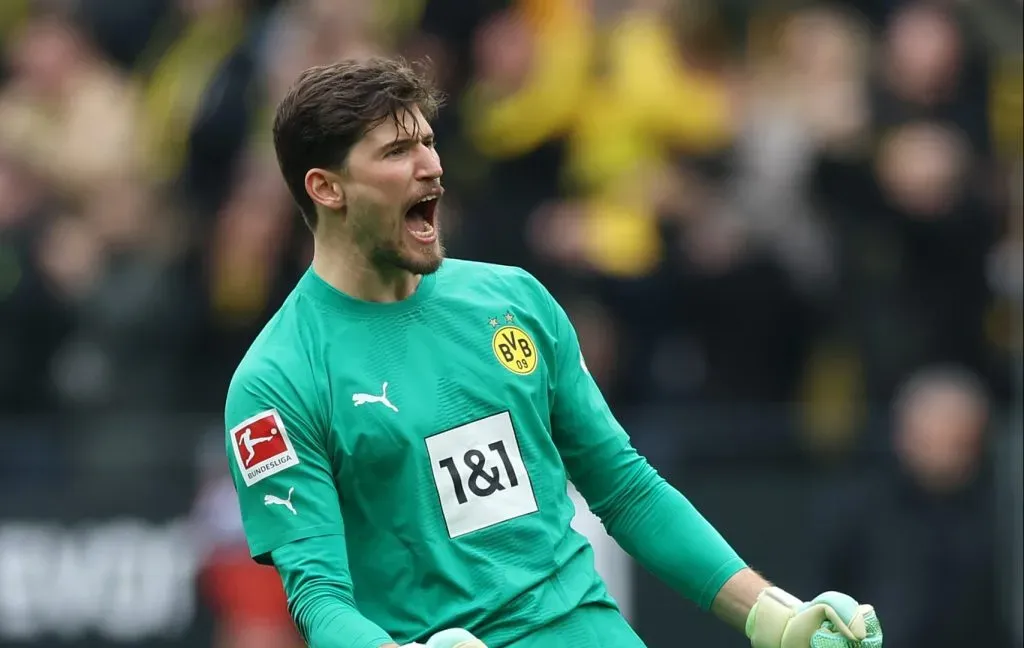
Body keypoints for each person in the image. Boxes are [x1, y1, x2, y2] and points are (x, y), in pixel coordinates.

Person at [223, 57, 884, 648]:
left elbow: (626, 489)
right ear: (326, 188)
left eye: (428, 141)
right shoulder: (277, 381)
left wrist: (769, 612)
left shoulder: (514, 302)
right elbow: (319, 599)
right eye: (397, 151)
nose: (432, 165)